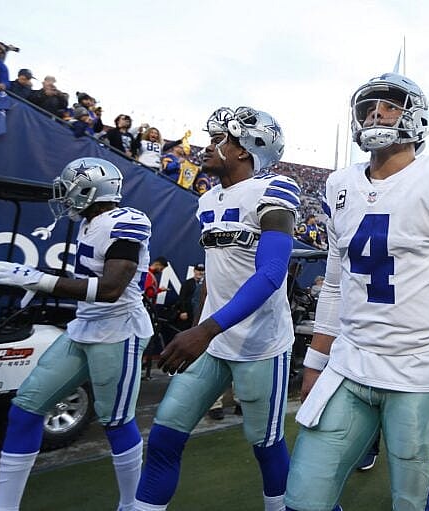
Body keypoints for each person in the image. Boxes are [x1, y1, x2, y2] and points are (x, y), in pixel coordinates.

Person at [284, 73, 429, 511]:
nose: (376, 113)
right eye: (369, 107)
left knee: (413, 504)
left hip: (418, 375)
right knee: (302, 499)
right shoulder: (339, 185)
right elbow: (334, 286)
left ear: (416, 116)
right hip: (350, 364)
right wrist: (315, 363)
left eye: (390, 105)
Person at [134, 106, 298, 511]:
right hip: (213, 341)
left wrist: (204, 330)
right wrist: (205, 323)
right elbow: (217, 275)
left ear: (246, 150)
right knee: (165, 437)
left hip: (260, 345)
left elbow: (273, 272)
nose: (209, 146)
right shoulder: (207, 200)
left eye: (221, 139)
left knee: (266, 446)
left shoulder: (273, 191)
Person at [0, 157, 153, 511]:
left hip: (118, 330)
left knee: (116, 423)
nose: (65, 197)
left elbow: (111, 289)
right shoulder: (90, 223)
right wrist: (36, 279)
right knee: (25, 410)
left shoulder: (128, 221)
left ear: (92, 189)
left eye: (71, 189)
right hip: (84, 327)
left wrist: (40, 280)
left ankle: (132, 504)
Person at [173, 263, 205, 331]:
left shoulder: (205, 285)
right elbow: (182, 298)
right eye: (198, 270)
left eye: (202, 270)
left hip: (199, 314)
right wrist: (183, 311)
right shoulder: (187, 283)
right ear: (194, 271)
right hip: (188, 313)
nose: (200, 272)